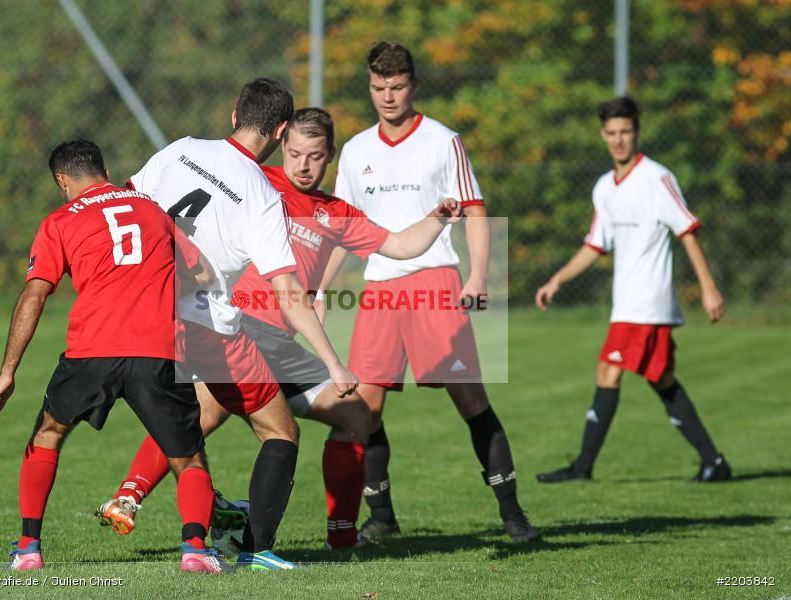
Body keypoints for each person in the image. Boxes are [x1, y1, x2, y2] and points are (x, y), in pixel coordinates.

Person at [98, 107, 462, 551]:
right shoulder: (257, 181)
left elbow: (402, 245)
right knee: (205, 412)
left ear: (330, 157)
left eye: (314, 156)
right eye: (294, 153)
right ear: (282, 145)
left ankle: (341, 537)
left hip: (282, 343)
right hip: (238, 326)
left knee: (354, 415)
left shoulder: (335, 212)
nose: (302, 165)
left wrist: (437, 217)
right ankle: (131, 497)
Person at [96, 79, 358, 570]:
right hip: (209, 327)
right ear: (282, 131)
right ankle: (255, 550)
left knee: (193, 419)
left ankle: (158, 506)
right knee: (279, 430)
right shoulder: (262, 196)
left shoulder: (182, 150)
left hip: (146, 315)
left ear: (234, 113)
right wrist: (333, 362)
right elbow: (289, 294)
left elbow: (125, 209)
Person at [322, 42, 540, 542]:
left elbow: (477, 211)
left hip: (436, 282)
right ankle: (381, 517)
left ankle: (512, 514)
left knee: (469, 398)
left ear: (413, 86)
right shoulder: (356, 151)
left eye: (396, 87)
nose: (387, 97)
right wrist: (319, 287)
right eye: (378, 88)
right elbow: (341, 230)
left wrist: (479, 276)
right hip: (379, 289)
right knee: (364, 409)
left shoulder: (443, 141)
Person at [0, 139, 229, 573]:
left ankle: (27, 549)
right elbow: (204, 273)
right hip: (157, 351)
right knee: (187, 456)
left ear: (62, 180)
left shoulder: (59, 221)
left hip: (91, 351)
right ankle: (194, 551)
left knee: (48, 434)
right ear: (105, 168)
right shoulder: (153, 210)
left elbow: (34, 294)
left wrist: (8, 372)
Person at [534, 96, 731, 484]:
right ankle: (715, 462)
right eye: (611, 133)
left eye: (625, 132)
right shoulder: (605, 186)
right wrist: (558, 278)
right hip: (627, 303)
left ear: (637, 133)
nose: (619, 140)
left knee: (608, 370)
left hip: (647, 303)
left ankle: (582, 467)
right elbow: (595, 244)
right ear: (603, 135)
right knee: (661, 379)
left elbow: (687, 230)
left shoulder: (656, 178)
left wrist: (709, 288)